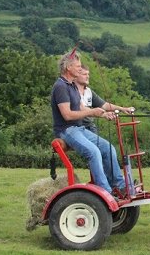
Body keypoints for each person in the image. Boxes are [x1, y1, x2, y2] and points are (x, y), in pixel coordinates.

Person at [50, 50, 126, 197]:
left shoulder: (71, 85)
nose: (80, 68)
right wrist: (92, 112)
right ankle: (106, 192)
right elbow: (67, 115)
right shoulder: (60, 87)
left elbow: (81, 108)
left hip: (79, 128)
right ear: (68, 68)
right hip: (67, 130)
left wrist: (103, 114)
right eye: (77, 66)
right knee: (93, 152)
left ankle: (120, 186)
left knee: (108, 149)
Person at [75, 64, 135, 134]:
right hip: (77, 128)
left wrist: (123, 109)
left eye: (88, 74)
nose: (87, 76)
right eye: (84, 74)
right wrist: (104, 114)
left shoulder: (88, 91)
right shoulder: (70, 91)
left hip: (90, 127)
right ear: (76, 76)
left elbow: (104, 105)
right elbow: (81, 109)